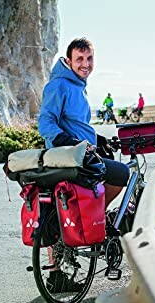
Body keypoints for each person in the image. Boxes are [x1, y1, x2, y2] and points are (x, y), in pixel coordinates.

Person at [38, 37, 129, 208]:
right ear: (68, 61)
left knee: (108, 159)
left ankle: (92, 217)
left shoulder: (78, 85)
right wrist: (67, 141)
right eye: (79, 59)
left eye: (89, 58)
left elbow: (75, 123)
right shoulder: (59, 85)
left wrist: (98, 139)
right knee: (120, 173)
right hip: (67, 156)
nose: (85, 64)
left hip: (79, 153)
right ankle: (96, 217)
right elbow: (45, 122)